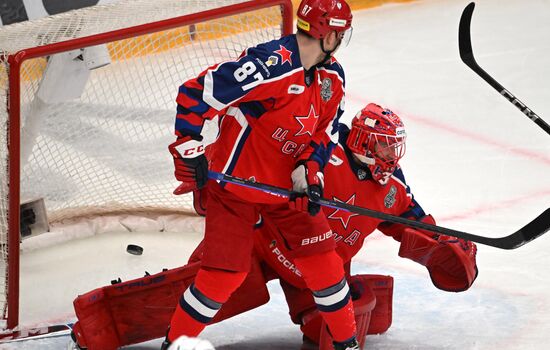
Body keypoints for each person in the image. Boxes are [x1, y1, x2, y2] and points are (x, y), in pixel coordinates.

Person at [69, 103, 478, 350]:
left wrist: (445, 246)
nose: (393, 155)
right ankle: (100, 320)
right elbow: (256, 157)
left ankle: (364, 299)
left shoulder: (391, 189)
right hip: (260, 240)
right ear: (366, 144)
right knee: (201, 288)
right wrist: (208, 171)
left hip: (317, 272)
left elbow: (420, 225)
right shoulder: (323, 149)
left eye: (395, 146)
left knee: (339, 319)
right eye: (387, 146)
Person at [165, 0, 356, 349]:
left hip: (286, 193)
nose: (342, 40)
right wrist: (187, 145)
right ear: (326, 34)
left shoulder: (332, 76)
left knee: (326, 267)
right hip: (234, 188)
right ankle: (175, 344)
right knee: (223, 277)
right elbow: (196, 94)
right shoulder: (270, 65)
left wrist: (309, 169)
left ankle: (347, 345)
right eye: (340, 33)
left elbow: (325, 132)